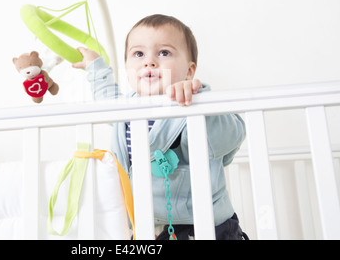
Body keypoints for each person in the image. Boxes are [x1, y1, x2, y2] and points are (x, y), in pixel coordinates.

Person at [72, 14, 247, 240]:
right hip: (144, 224)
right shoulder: (125, 107)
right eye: (138, 54)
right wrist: (95, 65)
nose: (149, 62)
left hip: (202, 224)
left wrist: (199, 97)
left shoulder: (190, 104)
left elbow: (229, 137)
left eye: (164, 52)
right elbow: (106, 97)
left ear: (189, 71)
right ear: (127, 67)